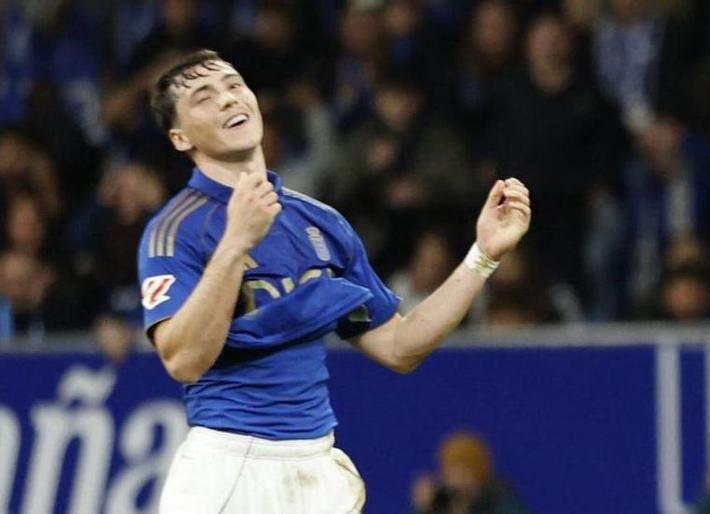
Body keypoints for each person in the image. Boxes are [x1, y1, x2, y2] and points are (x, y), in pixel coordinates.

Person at [137, 49, 531, 513]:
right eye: (204, 96)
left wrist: (482, 255)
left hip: (316, 468)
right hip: (230, 467)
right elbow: (183, 360)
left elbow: (400, 347)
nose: (227, 99)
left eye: (233, 85)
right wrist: (235, 244)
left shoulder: (320, 223)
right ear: (180, 137)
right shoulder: (175, 231)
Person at [410, 430, 528, 514]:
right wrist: (424, 508)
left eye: (465, 473)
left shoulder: (503, 502)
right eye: (452, 471)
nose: (459, 480)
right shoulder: (441, 501)